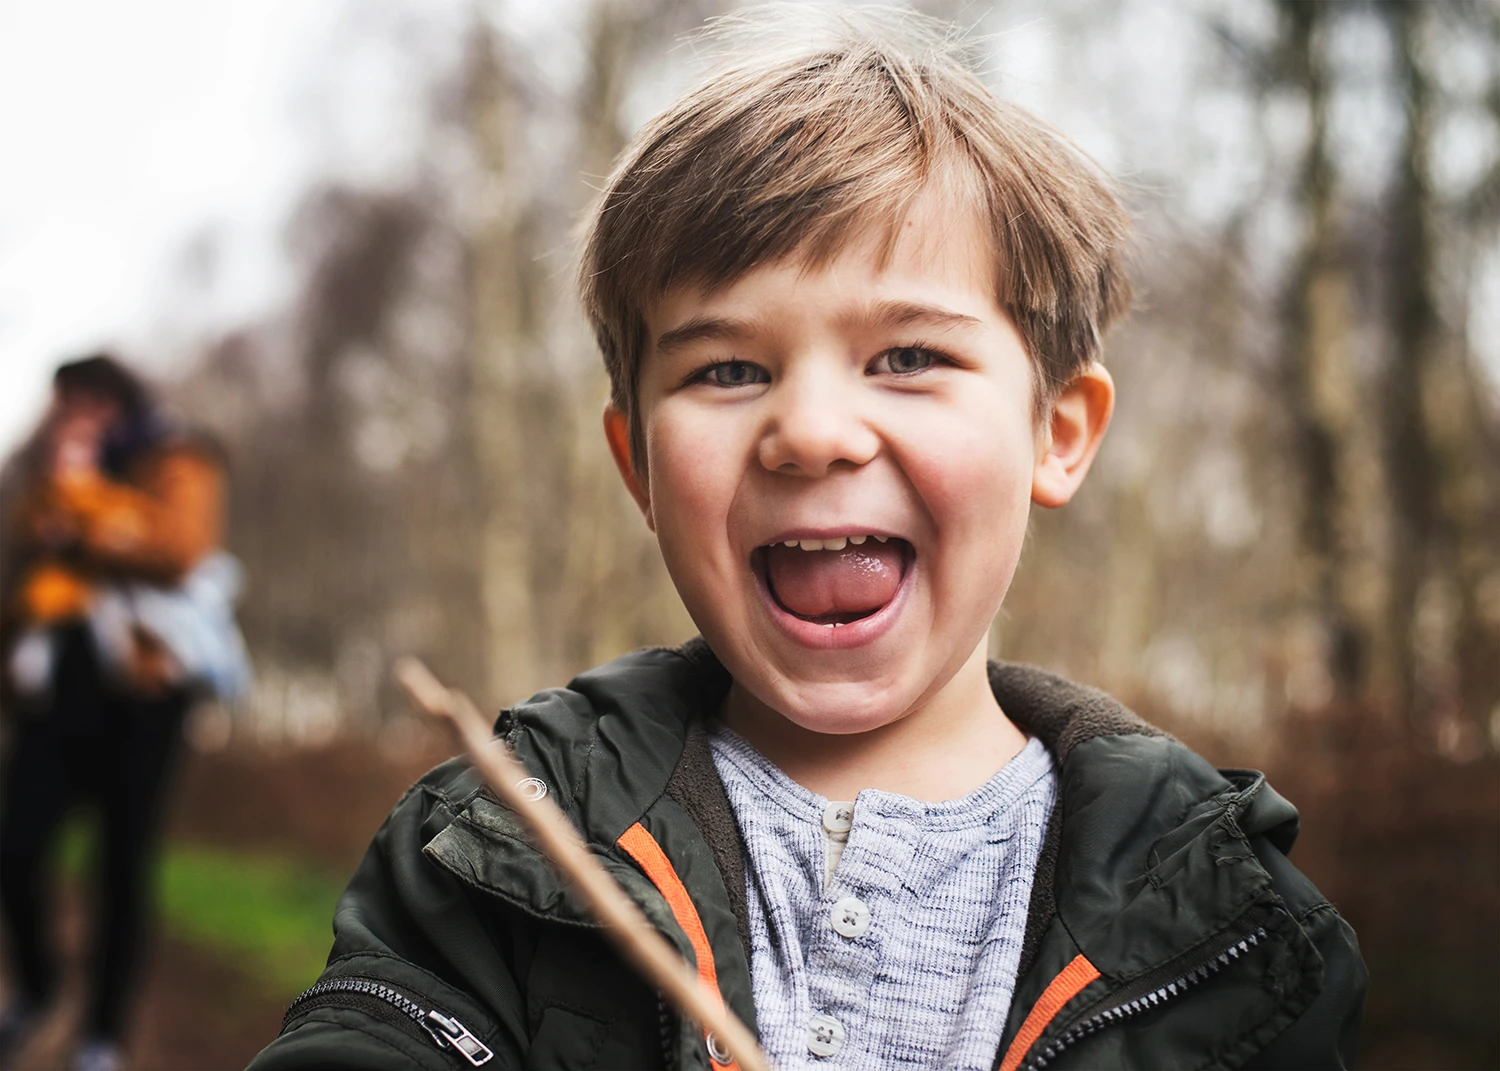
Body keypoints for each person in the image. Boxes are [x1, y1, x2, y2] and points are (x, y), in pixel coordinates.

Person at [252, 11, 1366, 1070]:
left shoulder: (1234, 927)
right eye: (728, 369)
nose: (813, 433)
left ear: (1057, 433)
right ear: (637, 463)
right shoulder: (505, 843)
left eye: (909, 358)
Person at [0, 353, 245, 1071]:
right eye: (64, 403)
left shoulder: (177, 455)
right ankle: (40, 985)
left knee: (123, 864)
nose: (75, 417)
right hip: (58, 689)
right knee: (15, 846)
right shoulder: (39, 470)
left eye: (87, 402)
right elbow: (17, 566)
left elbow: (179, 550)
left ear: (118, 401)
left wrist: (82, 523)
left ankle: (103, 1035)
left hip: (146, 693)